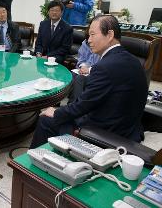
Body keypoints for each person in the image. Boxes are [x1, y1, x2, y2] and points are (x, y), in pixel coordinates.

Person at [29, 15, 148, 149]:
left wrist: (56, 112)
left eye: (92, 35)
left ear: (109, 35)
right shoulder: (133, 61)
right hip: (129, 129)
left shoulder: (104, 67)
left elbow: (82, 106)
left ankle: (30, 164)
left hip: (107, 133)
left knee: (46, 119)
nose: (89, 40)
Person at [67, 37, 100, 103]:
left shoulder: (102, 46)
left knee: (80, 78)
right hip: (83, 69)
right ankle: (70, 102)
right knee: (72, 75)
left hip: (95, 72)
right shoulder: (85, 42)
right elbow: (81, 58)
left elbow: (101, 65)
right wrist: (83, 66)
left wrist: (88, 69)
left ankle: (74, 104)